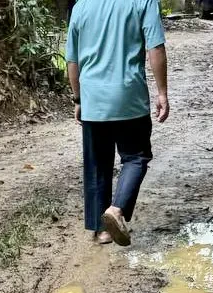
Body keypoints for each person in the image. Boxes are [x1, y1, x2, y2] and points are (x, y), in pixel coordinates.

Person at [65, 0, 169, 246]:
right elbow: (155, 48)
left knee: (97, 164)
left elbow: (72, 61)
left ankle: (102, 231)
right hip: (128, 97)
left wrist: (78, 99)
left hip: (92, 98)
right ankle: (116, 209)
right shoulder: (143, 1)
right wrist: (162, 92)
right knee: (136, 157)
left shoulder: (81, 6)